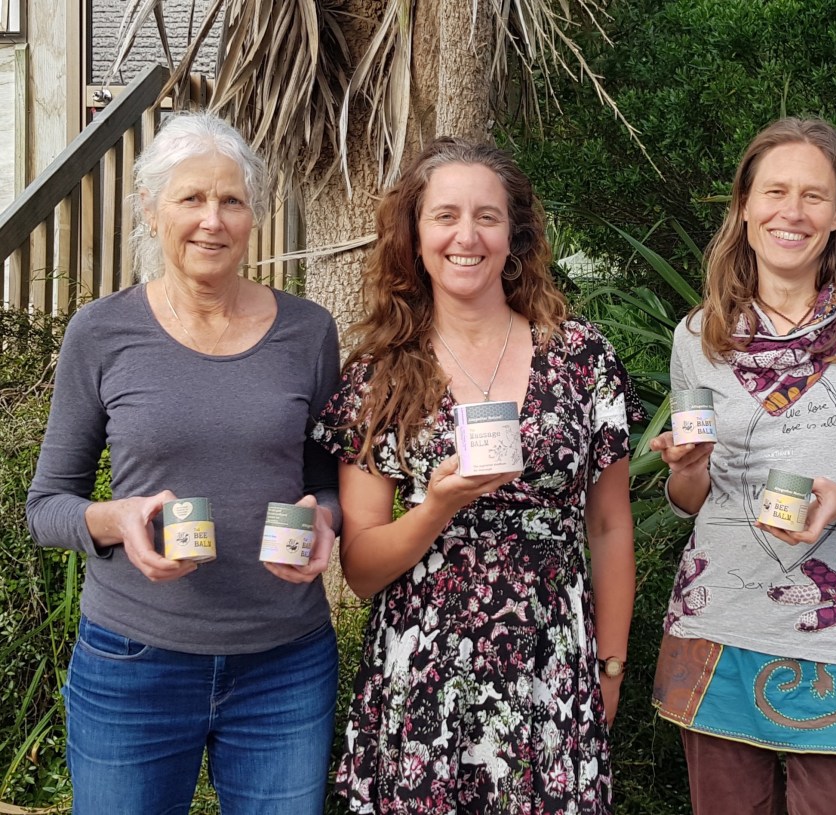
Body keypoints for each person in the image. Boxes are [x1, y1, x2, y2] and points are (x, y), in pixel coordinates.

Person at [26, 111, 341, 815]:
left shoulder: (308, 331)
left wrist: (326, 520)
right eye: (191, 198)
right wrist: (118, 520)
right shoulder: (101, 332)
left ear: (253, 215)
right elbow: (46, 505)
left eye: (231, 200)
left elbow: (328, 482)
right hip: (132, 661)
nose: (212, 220)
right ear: (150, 208)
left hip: (285, 664)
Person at [313, 136, 640, 813]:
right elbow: (362, 569)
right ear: (414, 235)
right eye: (445, 216)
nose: (467, 236)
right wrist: (435, 507)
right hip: (424, 682)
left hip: (552, 670)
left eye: (487, 217)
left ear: (513, 235)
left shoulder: (582, 358)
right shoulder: (378, 375)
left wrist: (610, 666)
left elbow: (610, 526)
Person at [648, 118, 836, 814]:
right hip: (717, 626)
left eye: (813, 195)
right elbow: (693, 497)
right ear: (744, 205)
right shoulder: (699, 334)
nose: (792, 212)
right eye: (775, 192)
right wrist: (688, 466)